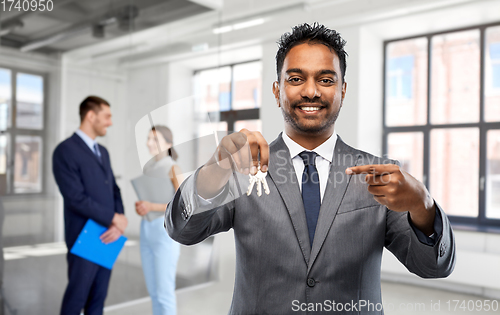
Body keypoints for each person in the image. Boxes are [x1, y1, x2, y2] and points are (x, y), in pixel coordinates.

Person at [165, 23, 456, 314]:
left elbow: (433, 266)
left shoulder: (379, 174)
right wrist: (215, 168)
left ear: (342, 90)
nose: (311, 91)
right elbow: (183, 231)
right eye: (296, 78)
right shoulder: (242, 168)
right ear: (277, 91)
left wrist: (423, 204)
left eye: (326, 80)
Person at [53, 96, 127, 315]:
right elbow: (75, 197)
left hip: (109, 235)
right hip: (83, 236)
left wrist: (119, 220)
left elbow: (114, 189)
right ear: (90, 115)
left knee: (98, 299)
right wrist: (114, 218)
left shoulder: (103, 152)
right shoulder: (65, 151)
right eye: (107, 116)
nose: (110, 122)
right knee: (77, 299)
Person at [135, 125, 181, 315]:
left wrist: (151, 206)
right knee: (154, 293)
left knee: (164, 293)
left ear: (168, 144)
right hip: (146, 229)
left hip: (164, 232)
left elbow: (182, 204)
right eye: (148, 139)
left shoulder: (173, 168)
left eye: (155, 139)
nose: (149, 143)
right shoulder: (149, 168)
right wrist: (142, 207)